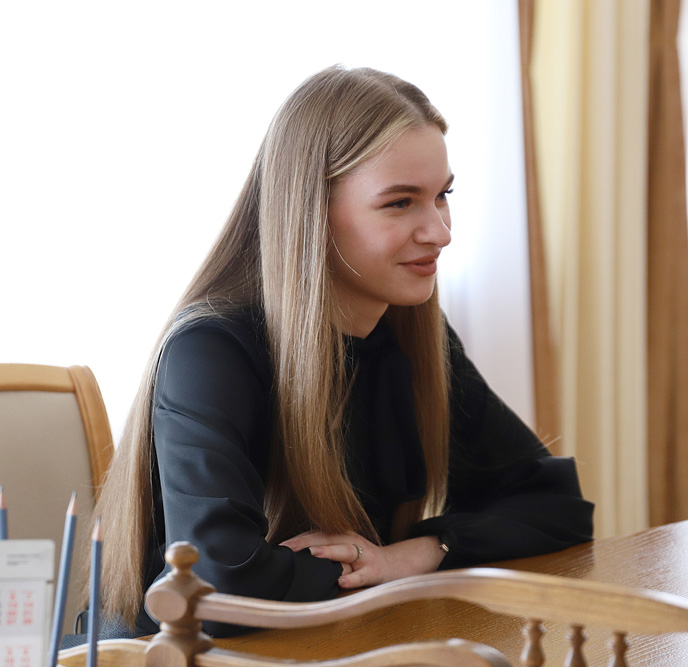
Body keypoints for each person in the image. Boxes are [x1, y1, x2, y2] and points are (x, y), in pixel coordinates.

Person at [93, 65, 594, 638]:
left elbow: (554, 506)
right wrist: (366, 573)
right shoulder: (209, 352)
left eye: (442, 196)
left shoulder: (411, 334)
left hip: (328, 642)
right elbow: (219, 587)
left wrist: (406, 558)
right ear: (311, 212)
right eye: (400, 203)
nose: (440, 231)